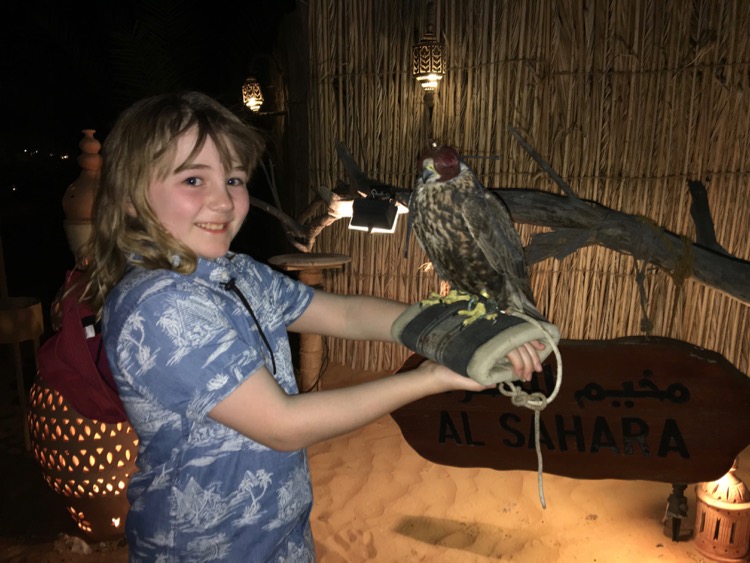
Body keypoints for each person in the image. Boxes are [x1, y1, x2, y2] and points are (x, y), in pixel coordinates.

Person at [82, 91, 544, 562]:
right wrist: (429, 376)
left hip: (281, 537)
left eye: (235, 178)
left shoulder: (237, 273)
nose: (222, 200)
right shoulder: (158, 307)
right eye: (194, 179)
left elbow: (343, 314)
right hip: (200, 550)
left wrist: (460, 330)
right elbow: (283, 424)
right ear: (131, 199)